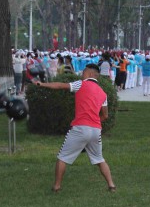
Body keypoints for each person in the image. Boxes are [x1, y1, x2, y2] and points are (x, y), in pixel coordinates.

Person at [33, 63, 116, 193]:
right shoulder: (103, 93)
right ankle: (111, 185)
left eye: (83, 72)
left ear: (89, 73)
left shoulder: (80, 84)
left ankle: (57, 186)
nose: (81, 75)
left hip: (80, 128)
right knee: (99, 159)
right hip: (96, 130)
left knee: (63, 157)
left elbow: (60, 86)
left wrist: (42, 84)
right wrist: (93, 122)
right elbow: (105, 115)